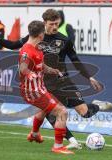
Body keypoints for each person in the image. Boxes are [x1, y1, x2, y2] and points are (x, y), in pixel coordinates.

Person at [0, 9, 112, 149]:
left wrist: (89, 77)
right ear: (44, 23)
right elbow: (13, 45)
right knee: (52, 113)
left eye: (56, 24)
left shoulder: (64, 40)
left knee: (84, 113)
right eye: (51, 24)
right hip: (44, 84)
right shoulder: (35, 37)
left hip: (63, 81)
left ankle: (97, 105)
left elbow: (75, 60)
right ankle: (67, 141)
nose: (55, 27)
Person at [19, 20, 74, 154]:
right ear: (41, 35)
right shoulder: (27, 50)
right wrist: (29, 74)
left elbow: (41, 65)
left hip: (39, 87)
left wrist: (52, 70)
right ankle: (58, 146)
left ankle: (34, 133)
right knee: (62, 112)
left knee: (43, 110)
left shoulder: (37, 48)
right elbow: (22, 68)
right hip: (32, 90)